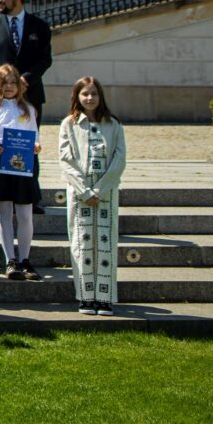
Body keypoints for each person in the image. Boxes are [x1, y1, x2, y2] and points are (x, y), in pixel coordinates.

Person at [59, 76, 126, 315]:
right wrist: (85, 190)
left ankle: (105, 297)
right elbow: (65, 159)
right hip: (80, 194)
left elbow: (119, 159)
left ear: (100, 96)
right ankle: (86, 296)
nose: (89, 98)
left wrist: (100, 189)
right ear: (77, 96)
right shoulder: (69, 124)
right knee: (82, 243)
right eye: (85, 93)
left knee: (105, 243)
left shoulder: (113, 124)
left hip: (106, 192)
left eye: (94, 93)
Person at [0, 64, 42, 282]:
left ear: (20, 85)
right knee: (5, 213)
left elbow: (35, 135)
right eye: (4, 82)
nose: (8, 87)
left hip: (23, 163)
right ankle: (11, 260)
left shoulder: (28, 109)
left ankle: (25, 259)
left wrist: (36, 146)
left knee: (25, 215)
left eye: (13, 83)